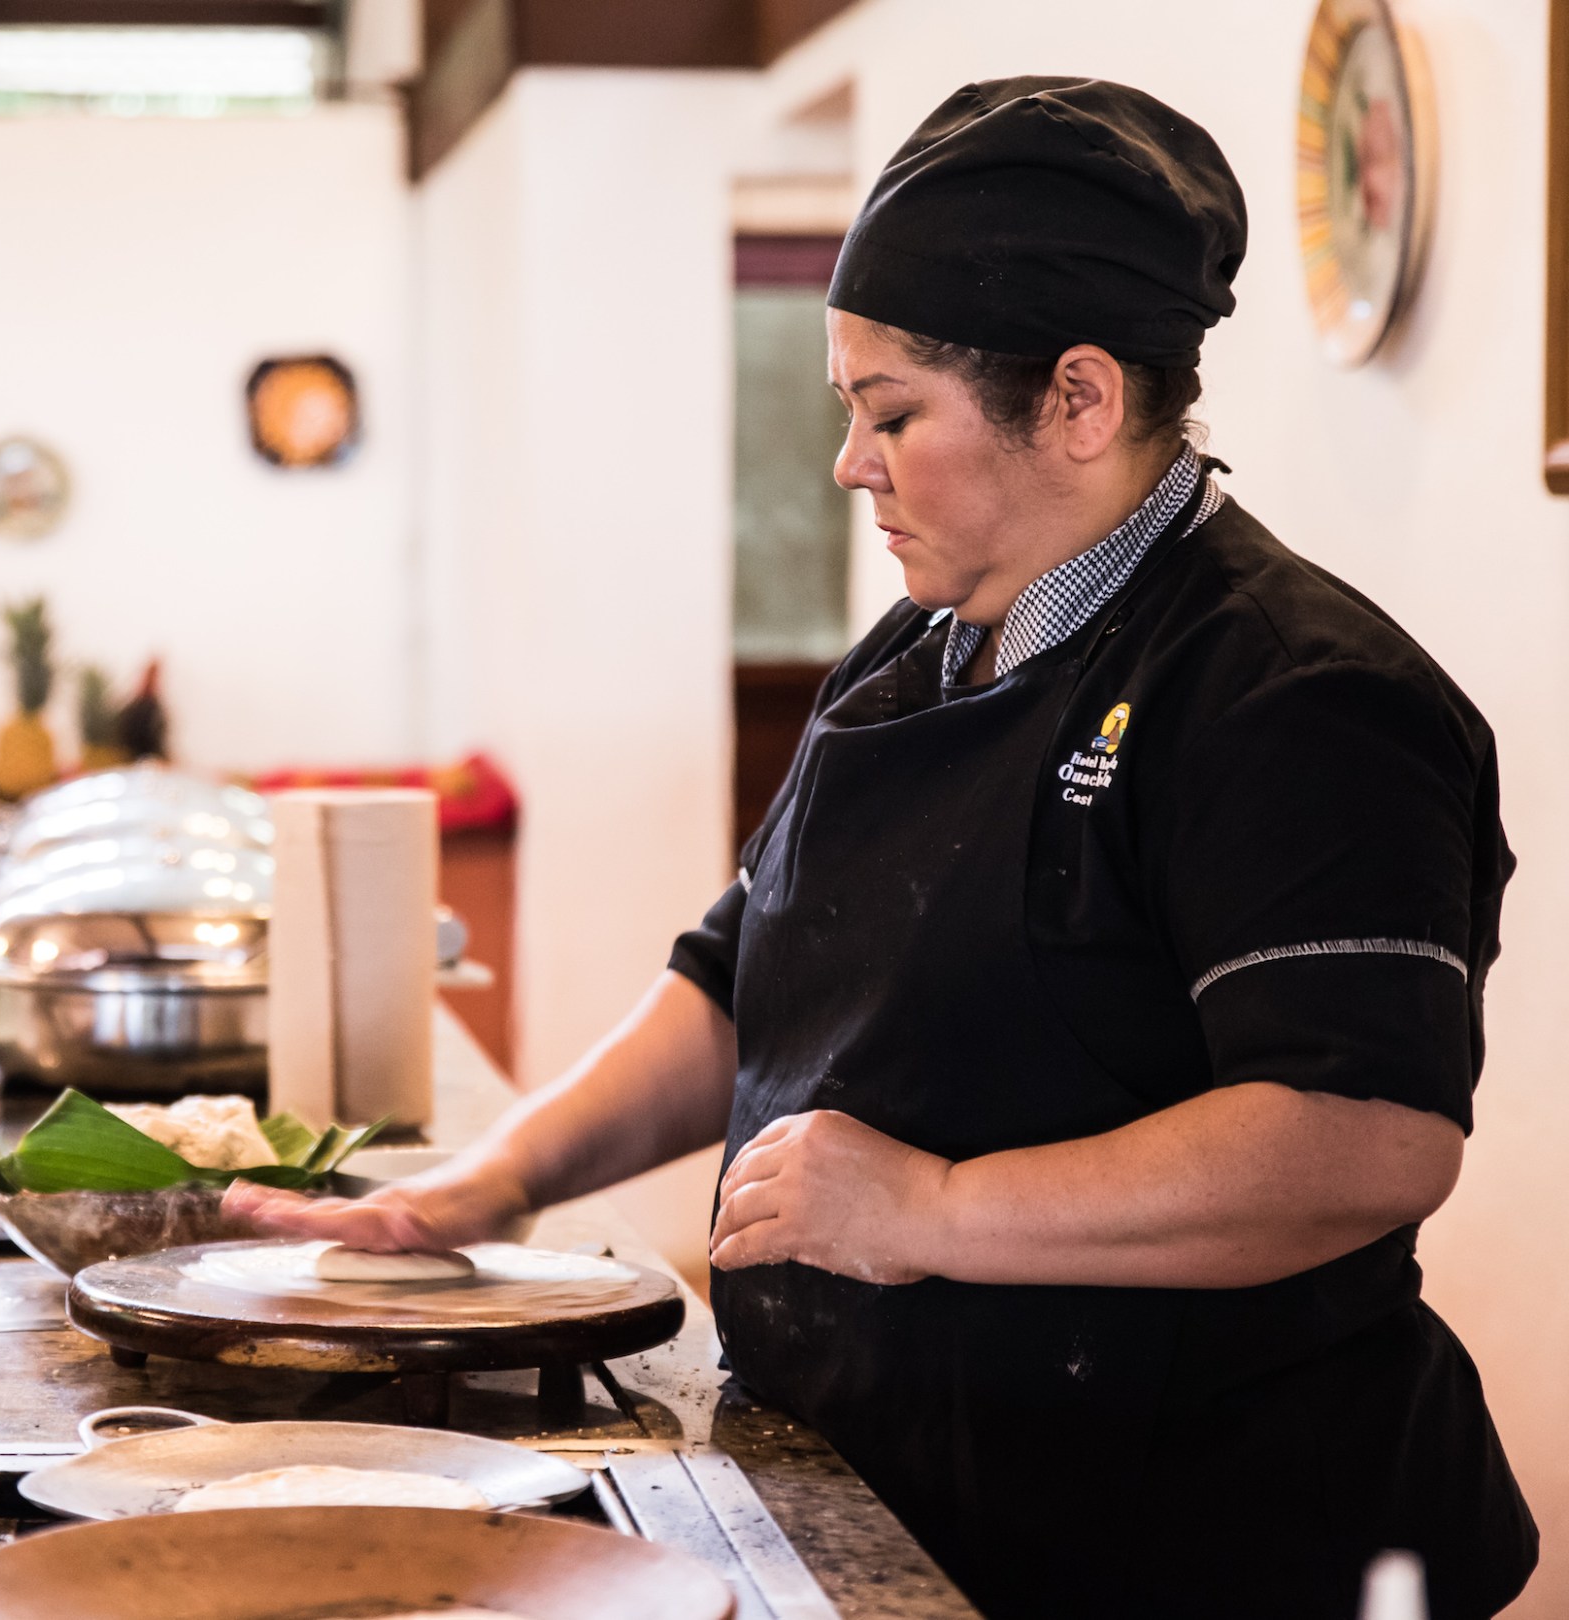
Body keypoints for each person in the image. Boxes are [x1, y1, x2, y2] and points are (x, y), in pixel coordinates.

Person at [226, 77, 1538, 1619]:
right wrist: (486, 1187)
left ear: (1080, 401)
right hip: (896, 1492)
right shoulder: (918, 650)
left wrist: (933, 1209)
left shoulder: (1300, 696)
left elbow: (1363, 1139)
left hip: (1200, 1541)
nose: (852, 464)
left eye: (892, 414)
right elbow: (744, 977)